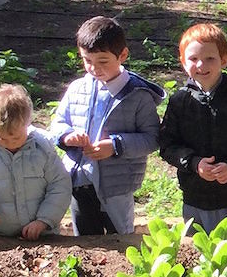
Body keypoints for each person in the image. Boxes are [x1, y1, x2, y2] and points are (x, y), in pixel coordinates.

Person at [52, 15, 165, 236]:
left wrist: (115, 146)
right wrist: (67, 137)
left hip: (117, 184)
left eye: (103, 61)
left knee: (120, 239)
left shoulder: (137, 96)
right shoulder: (77, 88)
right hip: (80, 180)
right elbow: (57, 123)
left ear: (122, 55)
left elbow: (152, 138)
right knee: (85, 241)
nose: (94, 69)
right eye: (87, 61)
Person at [157, 22, 227, 235]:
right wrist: (194, 163)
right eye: (193, 59)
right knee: (197, 253)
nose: (201, 65)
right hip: (195, 196)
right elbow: (167, 145)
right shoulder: (180, 102)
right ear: (183, 62)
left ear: (224, 60)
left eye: (210, 59)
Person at [0, 84, 72, 239]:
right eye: (2, 138)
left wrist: (44, 220)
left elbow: (60, 186)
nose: (10, 142)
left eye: (17, 137)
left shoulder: (42, 149)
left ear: (27, 123)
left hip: (42, 235)